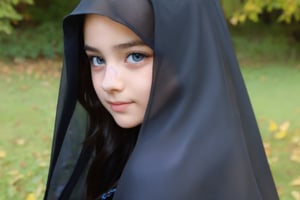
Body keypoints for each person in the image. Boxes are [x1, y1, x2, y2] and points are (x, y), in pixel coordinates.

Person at [44, 0, 279, 199]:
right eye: (97, 59)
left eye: (135, 56)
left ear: (186, 55)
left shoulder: (155, 177)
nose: (109, 83)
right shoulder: (219, 136)